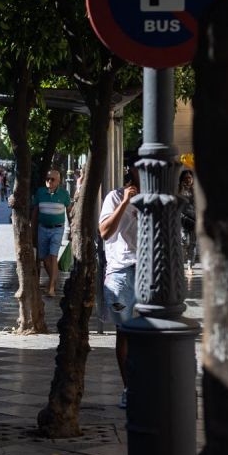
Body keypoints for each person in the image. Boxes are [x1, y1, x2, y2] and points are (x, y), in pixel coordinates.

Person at [100, 157, 140, 409]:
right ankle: (129, 388)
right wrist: (125, 202)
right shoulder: (114, 197)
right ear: (132, 169)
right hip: (120, 274)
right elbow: (104, 231)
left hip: (149, 272)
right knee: (124, 333)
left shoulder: (156, 198)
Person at [32, 169, 73, 297]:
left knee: (53, 256)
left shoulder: (64, 194)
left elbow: (69, 212)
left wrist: (72, 228)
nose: (49, 181)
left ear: (58, 181)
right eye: (47, 179)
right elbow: (35, 212)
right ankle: (53, 280)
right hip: (42, 228)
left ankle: (51, 288)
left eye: (52, 179)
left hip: (57, 228)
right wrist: (32, 228)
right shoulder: (40, 192)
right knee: (44, 258)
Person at [178, 170, 198, 272]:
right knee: (184, 242)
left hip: (194, 219)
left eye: (189, 178)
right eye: (185, 178)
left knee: (193, 244)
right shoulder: (179, 190)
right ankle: (181, 263)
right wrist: (181, 188)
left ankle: (190, 265)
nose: (188, 180)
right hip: (183, 219)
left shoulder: (196, 190)